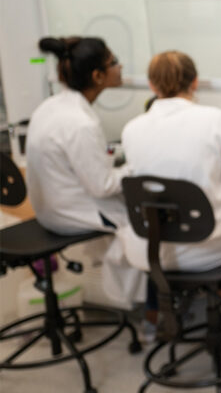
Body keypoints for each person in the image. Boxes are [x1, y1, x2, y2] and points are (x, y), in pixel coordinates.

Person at [119, 51, 221, 274]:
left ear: (151, 85)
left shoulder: (131, 128)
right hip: (205, 252)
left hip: (150, 251)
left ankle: (214, 296)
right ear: (195, 82)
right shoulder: (213, 120)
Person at [26, 36, 144, 306]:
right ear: (98, 76)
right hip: (69, 213)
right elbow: (101, 186)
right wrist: (136, 167)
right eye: (113, 62)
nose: (120, 66)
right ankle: (144, 309)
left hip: (49, 210)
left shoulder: (50, 107)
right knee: (145, 219)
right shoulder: (81, 124)